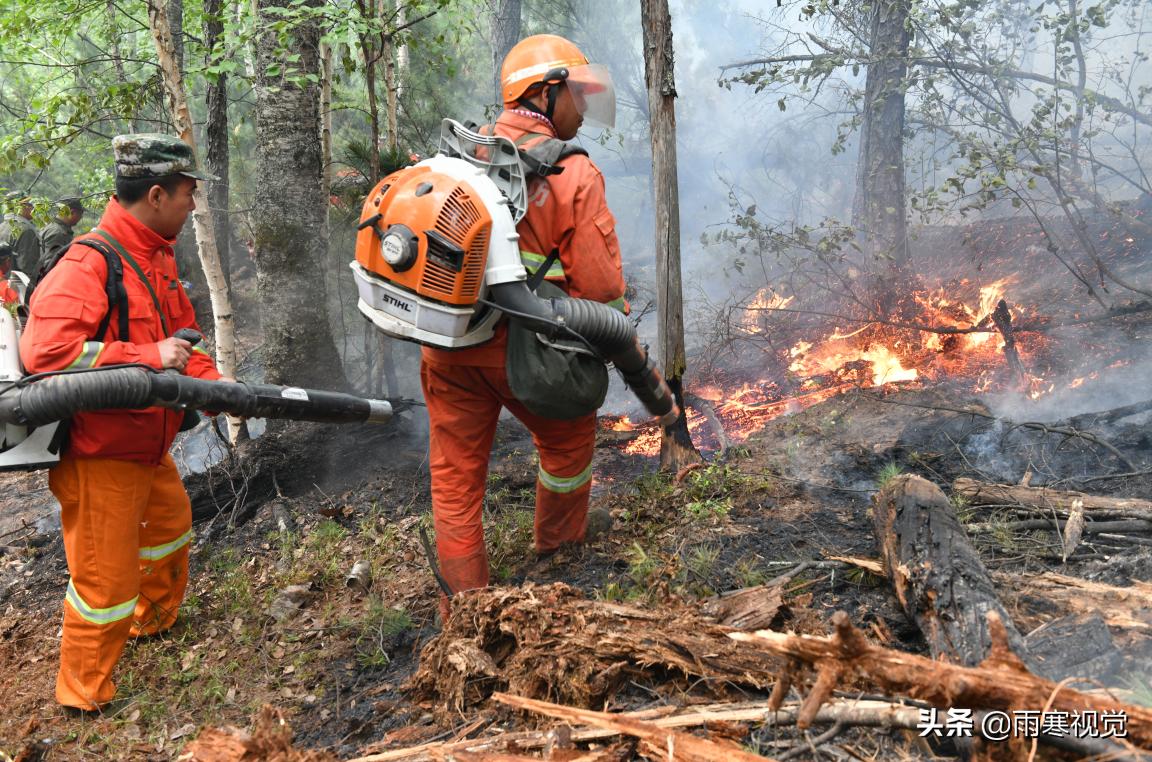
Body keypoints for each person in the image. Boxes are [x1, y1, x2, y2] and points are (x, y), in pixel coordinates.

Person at [421, 34, 625, 616]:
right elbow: (601, 290)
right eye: (577, 95)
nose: (583, 109)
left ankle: (465, 609)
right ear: (544, 93)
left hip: (449, 344)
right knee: (567, 444)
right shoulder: (572, 173)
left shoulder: (460, 155)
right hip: (529, 352)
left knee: (455, 477)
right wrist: (615, 343)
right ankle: (557, 557)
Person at [20, 134, 223, 712]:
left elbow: (184, 340)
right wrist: (146, 357)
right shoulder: (90, 260)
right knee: (103, 584)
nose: (192, 205)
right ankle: (83, 695)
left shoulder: (156, 256)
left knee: (170, 531)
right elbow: (46, 353)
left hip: (146, 444)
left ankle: (152, 624)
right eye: (187, 194)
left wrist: (218, 390)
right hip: (100, 453)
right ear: (156, 194)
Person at [36, 196, 85, 276]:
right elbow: (50, 264)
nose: (81, 218)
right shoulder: (58, 233)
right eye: (80, 214)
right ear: (72, 212)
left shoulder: (53, 226)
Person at [1, 190, 39, 275]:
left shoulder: (2, 226)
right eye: (29, 204)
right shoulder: (26, 230)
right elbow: (27, 267)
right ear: (20, 206)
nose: (32, 207)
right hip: (17, 285)